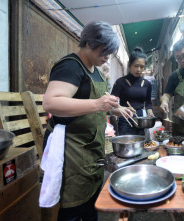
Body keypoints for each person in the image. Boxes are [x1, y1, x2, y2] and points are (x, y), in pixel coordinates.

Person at [42, 20, 132, 221]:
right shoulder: (70, 66)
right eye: (105, 50)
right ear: (90, 43)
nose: (108, 56)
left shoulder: (95, 69)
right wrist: (97, 105)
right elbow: (50, 103)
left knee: (91, 205)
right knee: (73, 208)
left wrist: (117, 109)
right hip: (73, 150)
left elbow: (93, 102)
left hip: (91, 148)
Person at [111, 47, 154, 135]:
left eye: (142, 67)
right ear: (129, 65)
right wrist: (119, 109)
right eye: (136, 66)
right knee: (126, 146)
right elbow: (112, 104)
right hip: (125, 119)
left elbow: (148, 103)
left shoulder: (147, 84)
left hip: (141, 119)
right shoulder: (120, 82)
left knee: (141, 145)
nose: (138, 70)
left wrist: (150, 111)